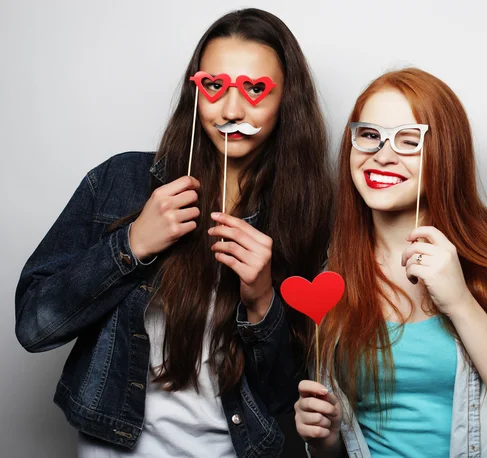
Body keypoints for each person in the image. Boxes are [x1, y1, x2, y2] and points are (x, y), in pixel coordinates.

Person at [15, 8, 331, 457]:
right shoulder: (119, 183)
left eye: (256, 89)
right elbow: (33, 327)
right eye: (215, 86)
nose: (232, 108)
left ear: (286, 100)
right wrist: (130, 246)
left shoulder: (307, 214)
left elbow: (286, 397)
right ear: (195, 90)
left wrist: (261, 301)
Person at [294, 68, 487, 457]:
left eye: (408, 141)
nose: (383, 155)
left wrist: (460, 302)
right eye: (370, 136)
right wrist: (325, 437)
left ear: (445, 153)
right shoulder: (329, 276)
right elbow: (344, 442)